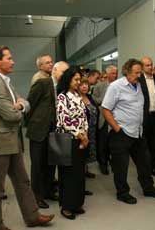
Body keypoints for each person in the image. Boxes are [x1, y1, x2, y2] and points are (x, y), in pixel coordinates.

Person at [0, 45, 54, 230]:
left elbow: (25, 102)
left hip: (12, 141)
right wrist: (19, 107)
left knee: (23, 182)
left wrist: (19, 105)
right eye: (9, 58)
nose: (13, 61)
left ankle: (32, 217)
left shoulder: (5, 81)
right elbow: (11, 115)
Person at [102, 58, 155, 205]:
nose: (139, 75)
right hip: (121, 134)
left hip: (138, 133)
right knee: (121, 167)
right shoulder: (116, 87)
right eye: (137, 72)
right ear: (127, 72)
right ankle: (122, 193)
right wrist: (117, 128)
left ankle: (148, 188)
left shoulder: (138, 85)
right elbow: (105, 109)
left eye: (140, 72)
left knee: (145, 163)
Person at [56, 66, 89, 220]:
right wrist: (79, 135)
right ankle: (67, 206)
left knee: (79, 173)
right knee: (68, 174)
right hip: (68, 140)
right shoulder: (63, 97)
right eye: (75, 80)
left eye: (79, 79)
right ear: (68, 80)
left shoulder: (77, 96)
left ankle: (77, 203)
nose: (78, 82)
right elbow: (64, 119)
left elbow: (83, 117)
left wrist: (85, 133)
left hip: (81, 139)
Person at [25, 55, 58, 209]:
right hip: (38, 130)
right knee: (38, 166)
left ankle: (48, 191)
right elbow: (29, 104)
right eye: (47, 62)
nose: (50, 64)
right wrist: (35, 123)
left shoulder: (51, 80)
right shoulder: (40, 81)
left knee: (50, 163)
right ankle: (36, 197)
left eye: (51, 62)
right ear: (40, 66)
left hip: (51, 128)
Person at [92, 65, 118, 175]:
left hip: (115, 118)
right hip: (103, 118)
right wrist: (105, 101)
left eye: (116, 73)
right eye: (113, 73)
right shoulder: (100, 85)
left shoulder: (119, 86)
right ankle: (103, 164)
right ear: (107, 74)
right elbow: (93, 98)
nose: (115, 75)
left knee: (113, 142)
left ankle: (113, 162)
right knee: (102, 142)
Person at [78, 77, 98, 184]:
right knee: (82, 153)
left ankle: (85, 170)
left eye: (86, 84)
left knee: (88, 152)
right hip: (82, 131)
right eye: (82, 84)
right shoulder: (76, 99)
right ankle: (80, 174)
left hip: (92, 130)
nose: (85, 86)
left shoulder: (89, 97)